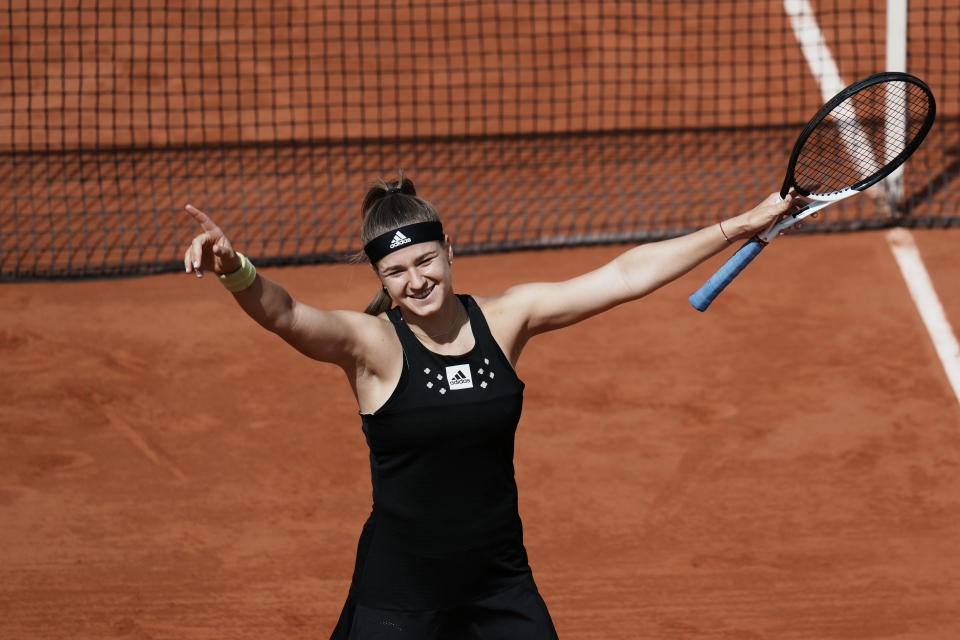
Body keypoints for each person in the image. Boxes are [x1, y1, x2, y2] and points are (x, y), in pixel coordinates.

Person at [183, 172, 795, 639]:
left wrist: (742, 223)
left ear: (449, 249)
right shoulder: (373, 345)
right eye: (395, 272)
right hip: (402, 587)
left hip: (497, 576)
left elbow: (627, 274)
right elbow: (287, 315)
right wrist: (235, 268)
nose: (416, 281)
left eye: (425, 260)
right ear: (381, 278)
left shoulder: (506, 320)